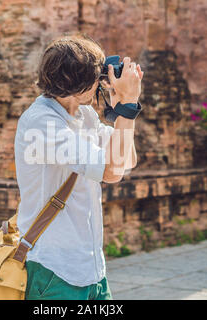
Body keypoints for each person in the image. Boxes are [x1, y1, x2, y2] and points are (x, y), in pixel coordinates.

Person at [14, 33, 143, 300]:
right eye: (98, 74)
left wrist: (121, 109)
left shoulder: (83, 115)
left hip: (91, 269)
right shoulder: (41, 123)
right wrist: (129, 105)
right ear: (79, 82)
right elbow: (111, 172)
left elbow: (127, 159)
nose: (102, 81)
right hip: (54, 270)